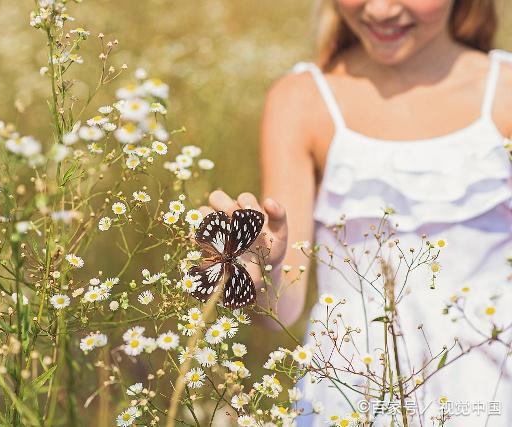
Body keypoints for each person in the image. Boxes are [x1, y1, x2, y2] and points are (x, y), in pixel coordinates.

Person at [199, 0, 512, 425]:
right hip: (353, 390)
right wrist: (255, 267)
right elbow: (282, 311)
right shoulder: (303, 100)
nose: (381, 10)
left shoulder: (504, 91)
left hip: (490, 384)